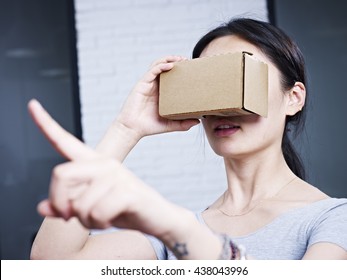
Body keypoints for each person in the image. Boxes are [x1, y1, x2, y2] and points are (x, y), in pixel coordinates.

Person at [29, 18, 347, 260]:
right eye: (211, 83)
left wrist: (176, 227)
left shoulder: (332, 218)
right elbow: (51, 266)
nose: (224, 106)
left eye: (242, 79)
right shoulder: (177, 231)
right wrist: (126, 129)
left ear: (293, 98)